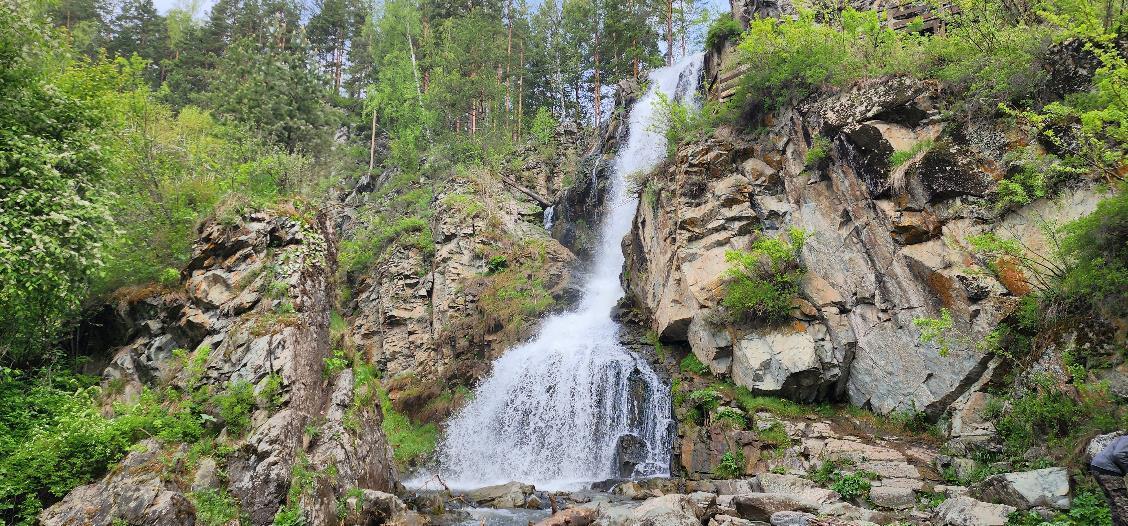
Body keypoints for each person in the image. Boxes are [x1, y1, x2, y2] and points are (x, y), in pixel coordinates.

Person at [1092, 435, 1128, 526]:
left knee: (1114, 504)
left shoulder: (1123, 438)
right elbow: (1118, 454)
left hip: (1098, 467)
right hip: (1108, 469)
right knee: (1123, 504)